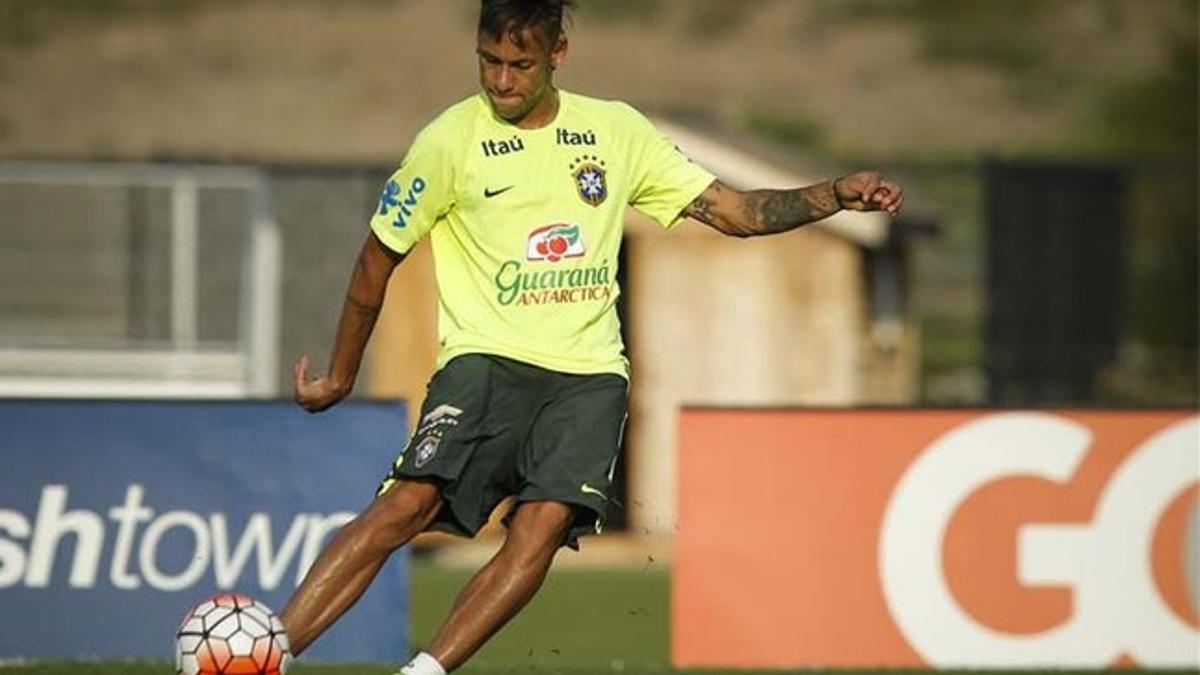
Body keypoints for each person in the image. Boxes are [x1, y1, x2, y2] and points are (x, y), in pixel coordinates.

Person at [279, 0, 904, 673]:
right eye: (489, 62)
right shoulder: (449, 140)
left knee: (542, 525)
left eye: (520, 64)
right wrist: (342, 373)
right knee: (409, 502)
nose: (502, 81)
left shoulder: (613, 132)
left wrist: (835, 193)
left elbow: (739, 211)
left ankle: (424, 672)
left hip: (588, 377)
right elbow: (378, 256)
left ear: (558, 55)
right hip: (485, 362)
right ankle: (263, 650)